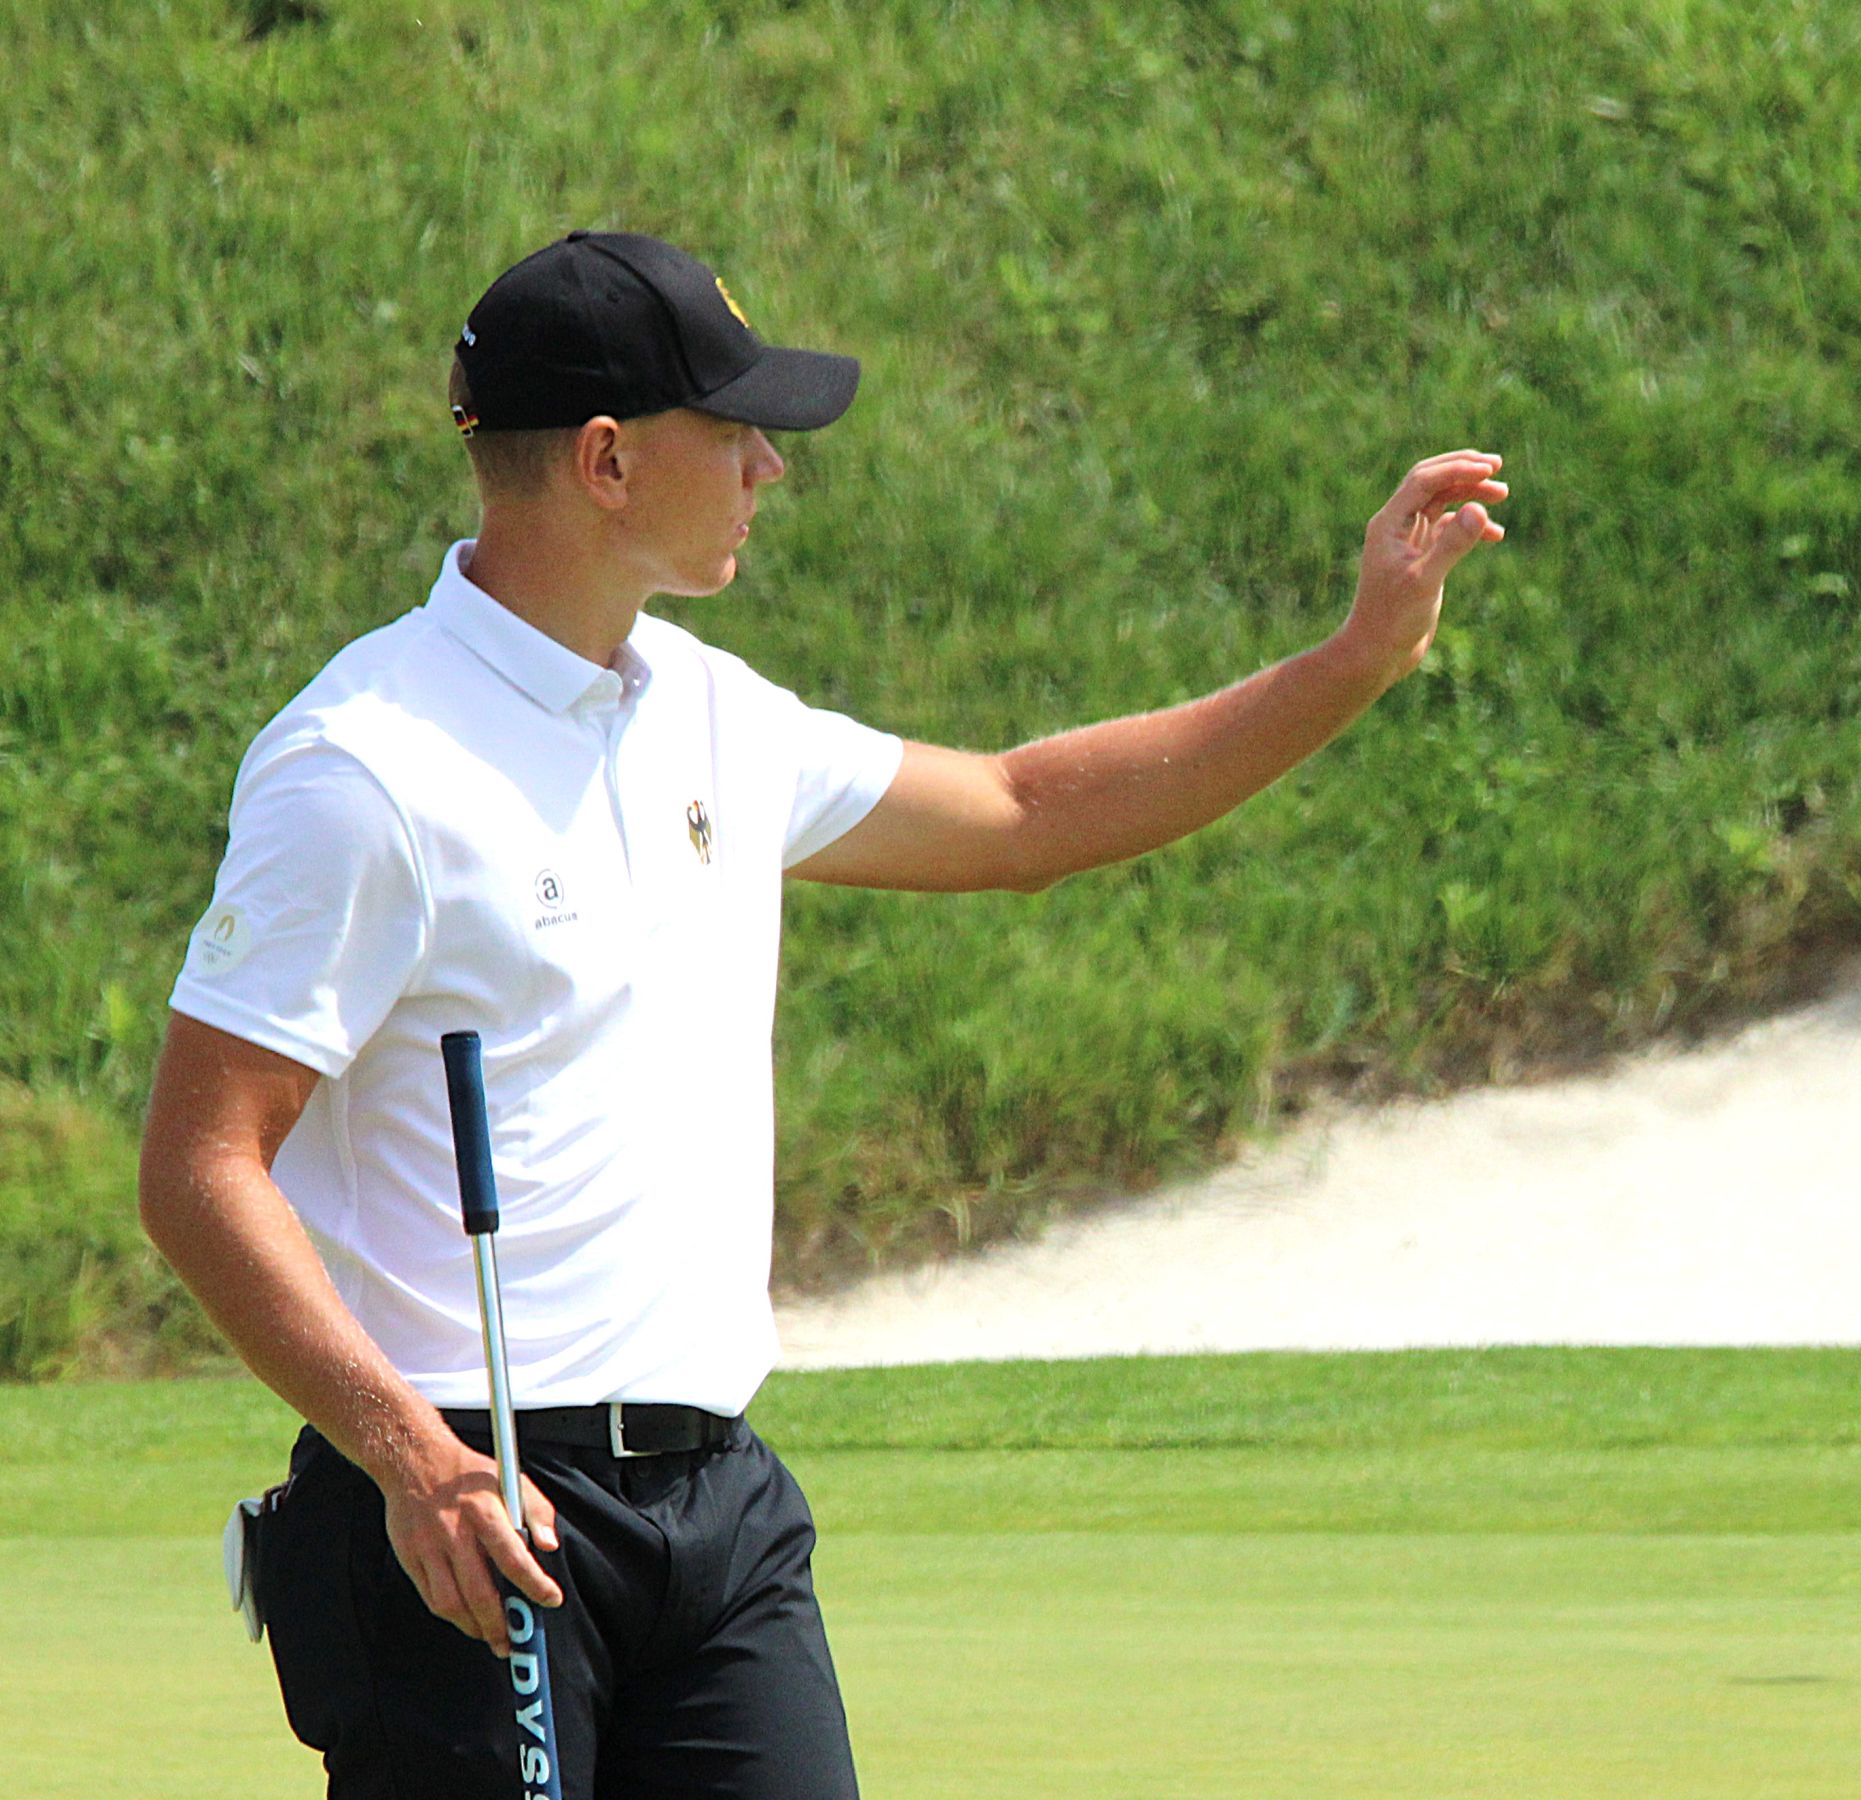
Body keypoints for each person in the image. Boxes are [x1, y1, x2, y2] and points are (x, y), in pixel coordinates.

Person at [136, 228, 1506, 1797]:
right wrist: (408, 1457)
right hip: (472, 1518)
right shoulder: (363, 768)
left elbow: (1017, 812)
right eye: (734, 433)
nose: (768, 470)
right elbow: (200, 1164)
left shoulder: (711, 713)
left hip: (717, 1514)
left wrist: (1350, 662)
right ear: (604, 460)